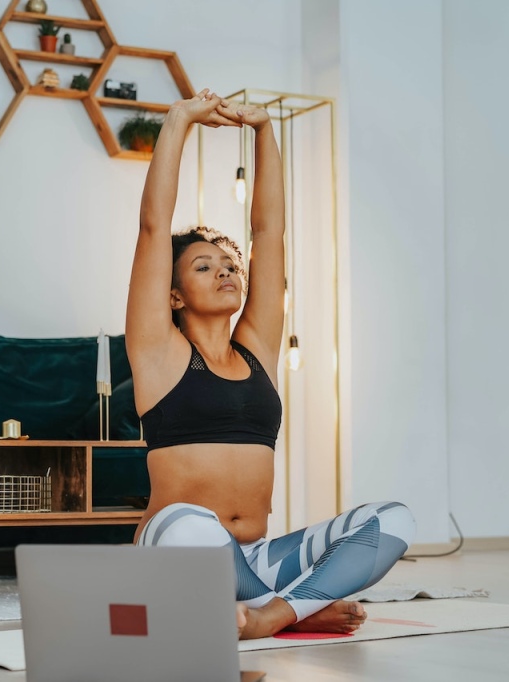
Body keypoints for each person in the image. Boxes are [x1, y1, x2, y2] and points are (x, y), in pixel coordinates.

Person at [125, 89, 416, 640]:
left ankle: (271, 615)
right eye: (204, 266)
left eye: (230, 264)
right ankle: (304, 607)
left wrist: (263, 130)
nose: (226, 271)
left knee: (395, 519)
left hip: (256, 555)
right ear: (174, 296)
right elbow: (152, 228)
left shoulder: (255, 346)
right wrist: (180, 118)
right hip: (180, 544)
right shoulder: (157, 350)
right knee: (190, 524)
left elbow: (269, 233)